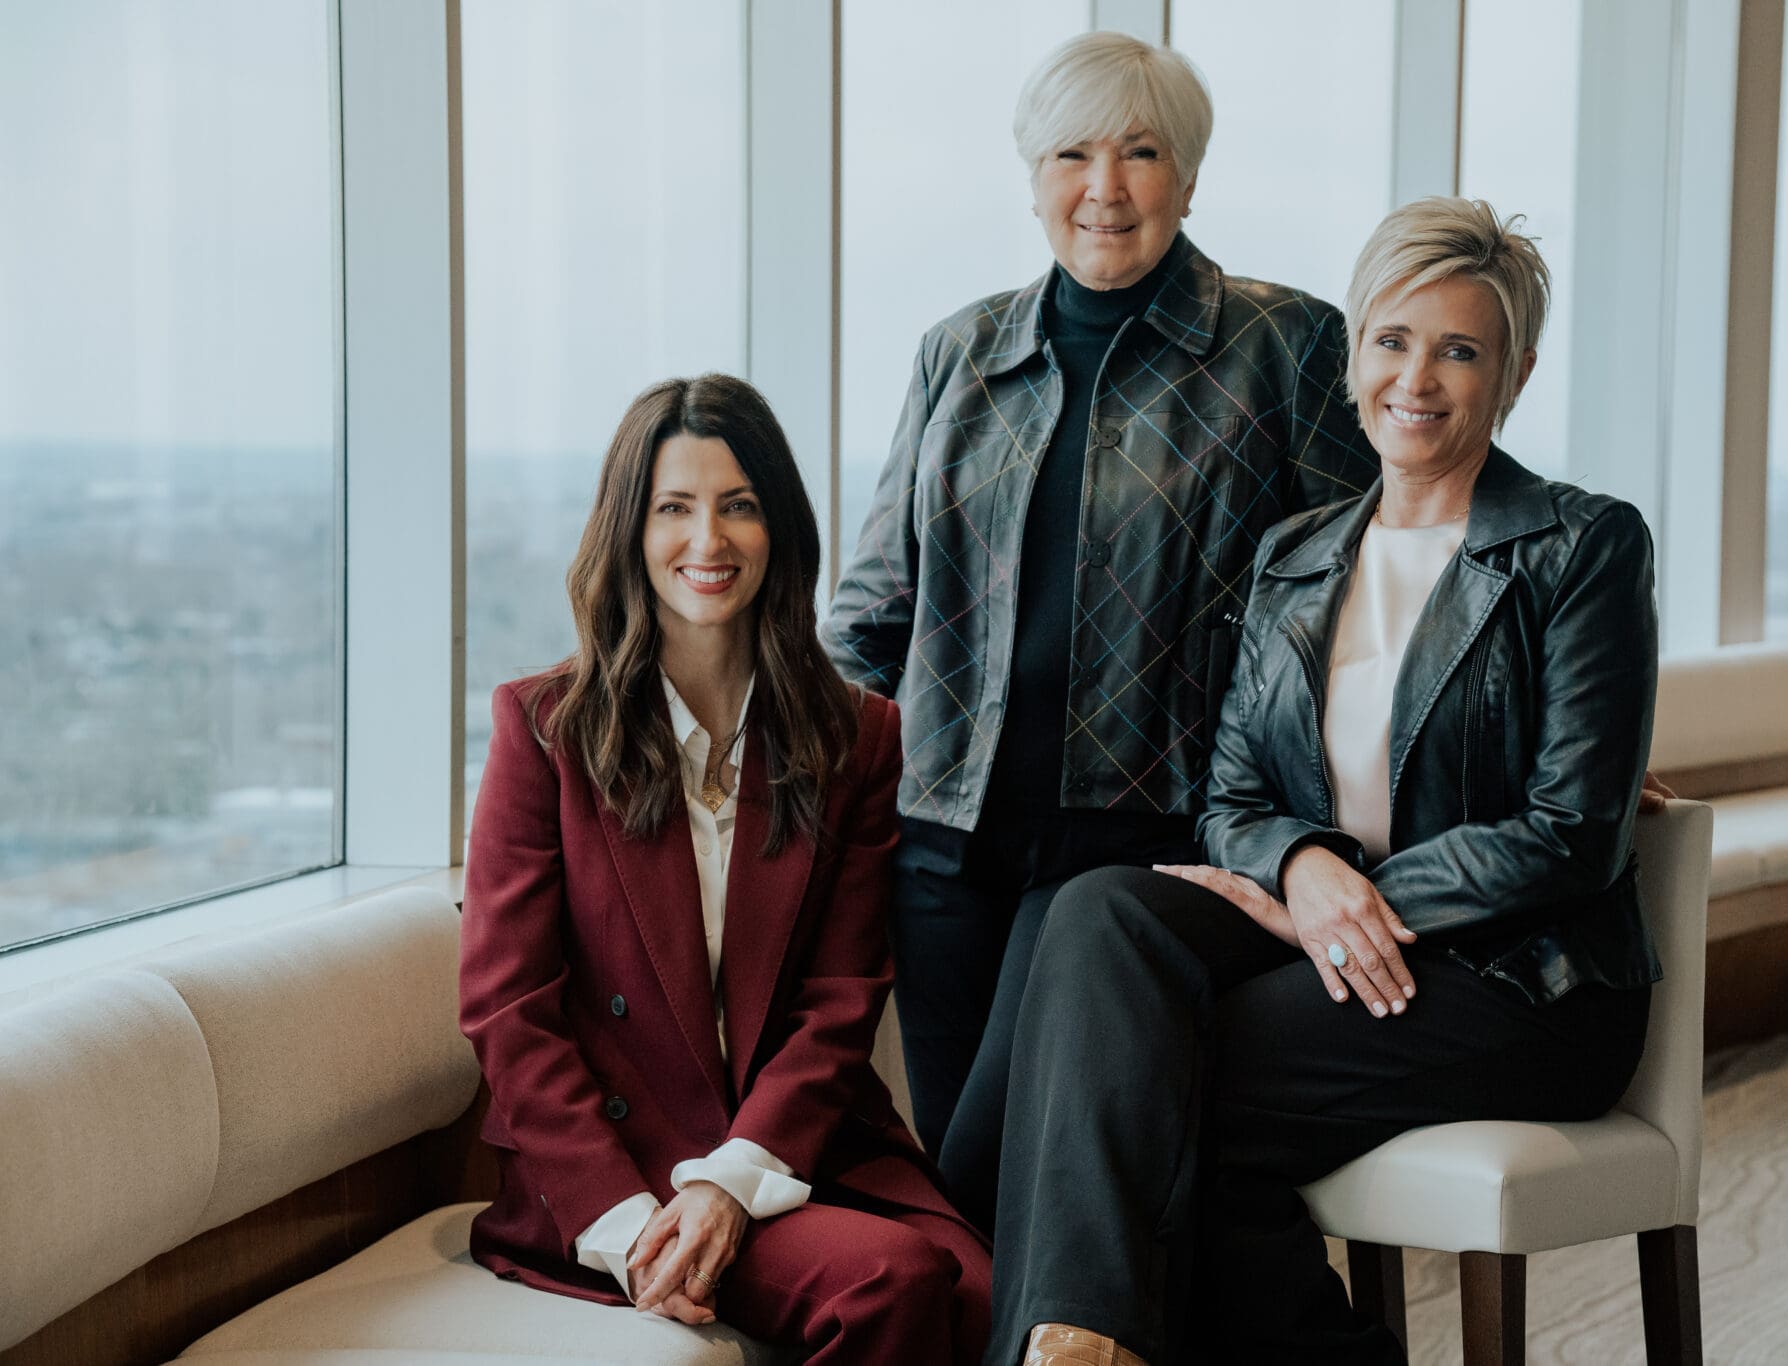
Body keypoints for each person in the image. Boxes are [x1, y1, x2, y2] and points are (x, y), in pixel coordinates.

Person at [987, 198, 1665, 1365]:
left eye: (1459, 349)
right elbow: (1233, 796)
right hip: (1337, 947)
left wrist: (1352, 900)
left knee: (1137, 1086)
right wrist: (1300, 871)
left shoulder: (1580, 546)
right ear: (1354, 351)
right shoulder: (1296, 554)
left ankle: (1068, 1347)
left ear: (1514, 371)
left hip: (1519, 981)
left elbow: (1570, 833)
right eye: (1392, 340)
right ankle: (1085, 1343)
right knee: (1095, 910)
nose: (1417, 378)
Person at [824, 31, 1378, 1231]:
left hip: (1140, 840)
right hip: (943, 845)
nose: (1105, 187)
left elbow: (1391, 567)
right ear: (1031, 175)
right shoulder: (959, 353)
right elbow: (874, 610)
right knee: (967, 1174)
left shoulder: (1281, 347)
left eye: (1140, 152)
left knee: (990, 1171)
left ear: (1187, 175)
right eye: (1072, 153)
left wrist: (1538, 690)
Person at [461, 375, 991, 1365]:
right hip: (613, 1167)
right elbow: (507, 1009)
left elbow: (838, 998)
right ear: (629, 528)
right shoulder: (544, 730)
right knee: (892, 1283)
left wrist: (732, 1177)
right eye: (674, 508)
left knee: (994, 1293)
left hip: (793, 1142)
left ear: (777, 527)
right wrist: (626, 1223)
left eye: (737, 506)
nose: (707, 541)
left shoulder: (856, 736)